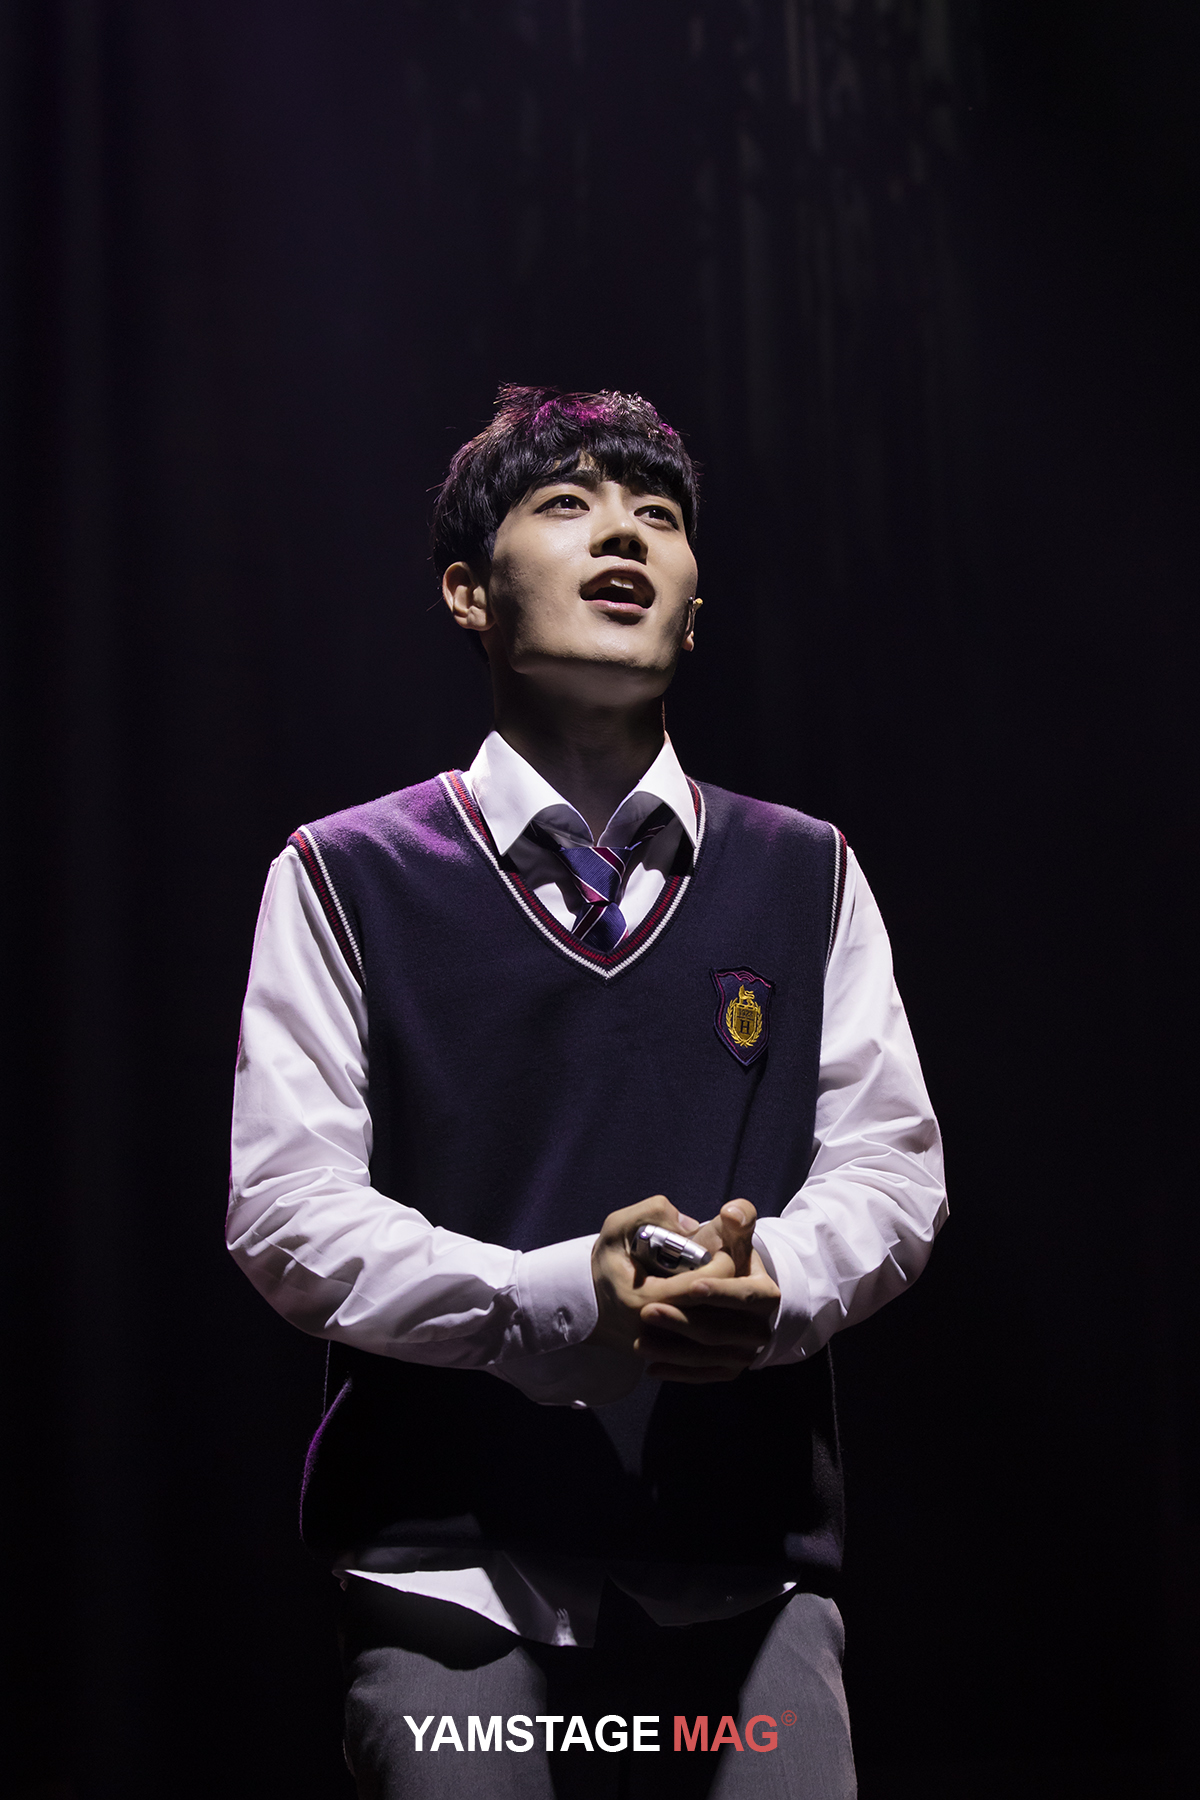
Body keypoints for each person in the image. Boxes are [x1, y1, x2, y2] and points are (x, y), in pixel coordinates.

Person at [227, 385, 946, 1799]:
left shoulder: (807, 870)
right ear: (466, 592)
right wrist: (556, 1301)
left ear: (693, 609)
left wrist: (774, 1285)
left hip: (742, 1572)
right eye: (567, 503)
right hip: (448, 1572)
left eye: (658, 515)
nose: (624, 531)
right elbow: (286, 1208)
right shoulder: (344, 874)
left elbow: (890, 1168)